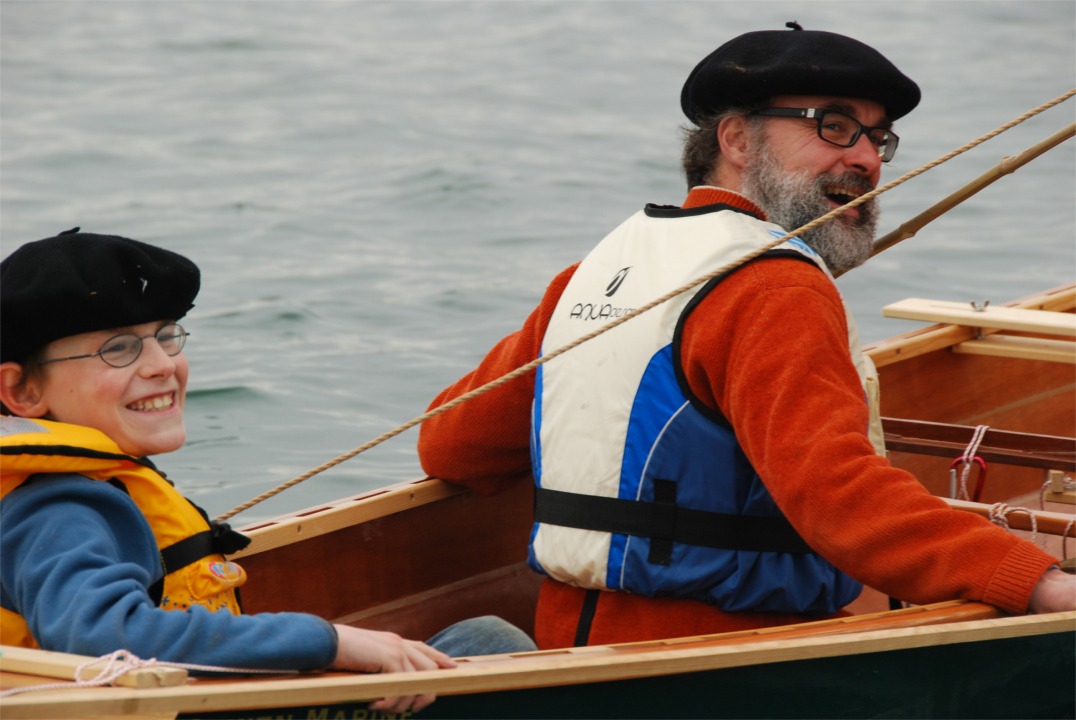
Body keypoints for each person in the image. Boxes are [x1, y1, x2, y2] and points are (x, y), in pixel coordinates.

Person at [417, 24, 1076, 650]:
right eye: (835, 126)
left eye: (880, 139)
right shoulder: (777, 289)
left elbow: (449, 445)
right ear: (735, 139)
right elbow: (840, 499)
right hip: (724, 661)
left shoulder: (594, 272)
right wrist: (1036, 580)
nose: (868, 160)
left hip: (574, 649)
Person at [0, 229, 535, 713]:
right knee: (491, 647)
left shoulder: (76, 487)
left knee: (481, 638)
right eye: (118, 348)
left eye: (166, 335)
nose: (162, 364)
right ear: (22, 391)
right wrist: (334, 642)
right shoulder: (59, 505)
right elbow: (98, 634)